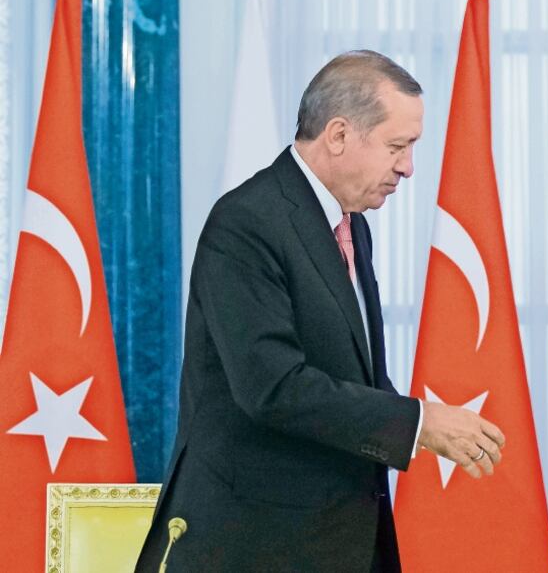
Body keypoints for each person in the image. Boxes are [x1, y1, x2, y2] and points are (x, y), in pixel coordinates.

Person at [136, 50, 505, 572]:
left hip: (341, 539)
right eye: (397, 146)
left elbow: (350, 375)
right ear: (338, 135)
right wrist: (420, 424)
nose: (408, 167)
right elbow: (273, 388)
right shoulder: (246, 222)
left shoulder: (352, 224)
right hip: (257, 546)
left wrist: (429, 426)